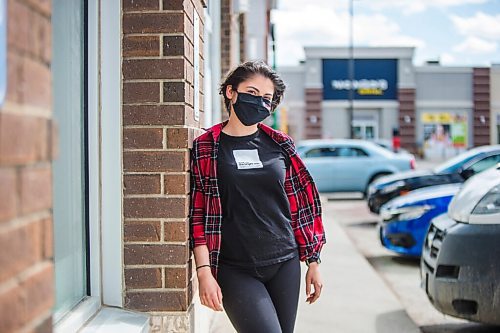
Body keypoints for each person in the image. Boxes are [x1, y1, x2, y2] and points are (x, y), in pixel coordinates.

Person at [189, 60, 326, 333]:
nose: (259, 103)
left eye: (266, 98)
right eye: (252, 93)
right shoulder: (206, 147)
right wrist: (203, 271)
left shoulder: (280, 144)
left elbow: (302, 204)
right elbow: (199, 214)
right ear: (231, 92)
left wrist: (313, 260)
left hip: (285, 263)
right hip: (235, 268)